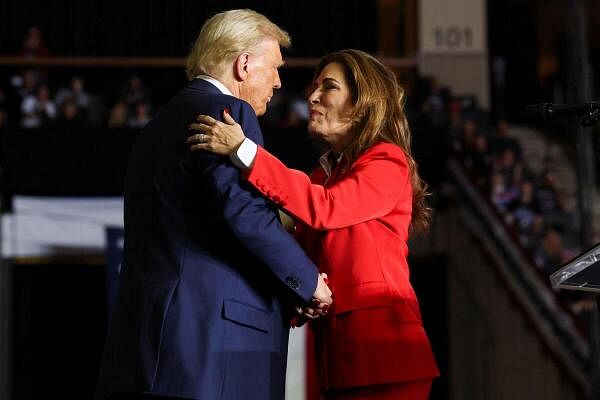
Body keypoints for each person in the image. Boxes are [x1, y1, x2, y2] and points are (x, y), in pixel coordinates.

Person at [95, 9, 332, 400]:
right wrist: (307, 283)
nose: (277, 83)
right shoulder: (228, 115)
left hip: (149, 346)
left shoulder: (159, 122)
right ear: (243, 65)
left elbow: (207, 225)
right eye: (273, 68)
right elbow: (242, 213)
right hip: (209, 350)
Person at [188, 49, 439, 399]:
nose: (313, 96)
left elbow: (326, 208)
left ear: (363, 103)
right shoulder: (323, 174)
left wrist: (244, 151)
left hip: (385, 356)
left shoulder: (387, 159)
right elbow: (297, 249)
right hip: (339, 357)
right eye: (315, 86)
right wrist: (301, 293)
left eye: (329, 87)